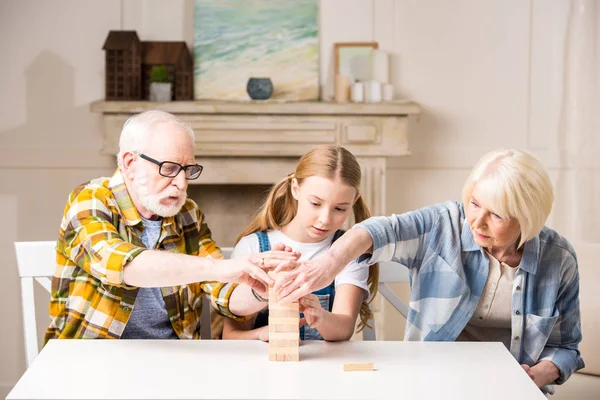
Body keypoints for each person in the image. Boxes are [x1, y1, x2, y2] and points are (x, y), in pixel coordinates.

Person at [273, 149, 584, 392]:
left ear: (527, 217)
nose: (476, 221)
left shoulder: (558, 260)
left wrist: (536, 374)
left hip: (508, 387)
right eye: (474, 204)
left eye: (497, 215)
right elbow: (381, 230)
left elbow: (566, 348)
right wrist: (329, 264)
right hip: (433, 383)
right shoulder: (444, 225)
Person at [45, 110, 298, 341]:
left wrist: (263, 289)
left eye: (188, 170)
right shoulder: (90, 200)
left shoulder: (188, 214)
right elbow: (126, 266)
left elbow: (225, 294)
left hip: (174, 360)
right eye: (169, 168)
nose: (181, 183)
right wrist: (220, 267)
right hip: (90, 362)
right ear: (130, 163)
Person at [221, 145, 379, 342]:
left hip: (323, 366)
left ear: (354, 200)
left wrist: (320, 317)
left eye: (339, 208)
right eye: (315, 203)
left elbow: (344, 328)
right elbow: (230, 336)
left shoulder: (349, 250)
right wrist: (263, 333)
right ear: (295, 189)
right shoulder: (252, 247)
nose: (325, 219)